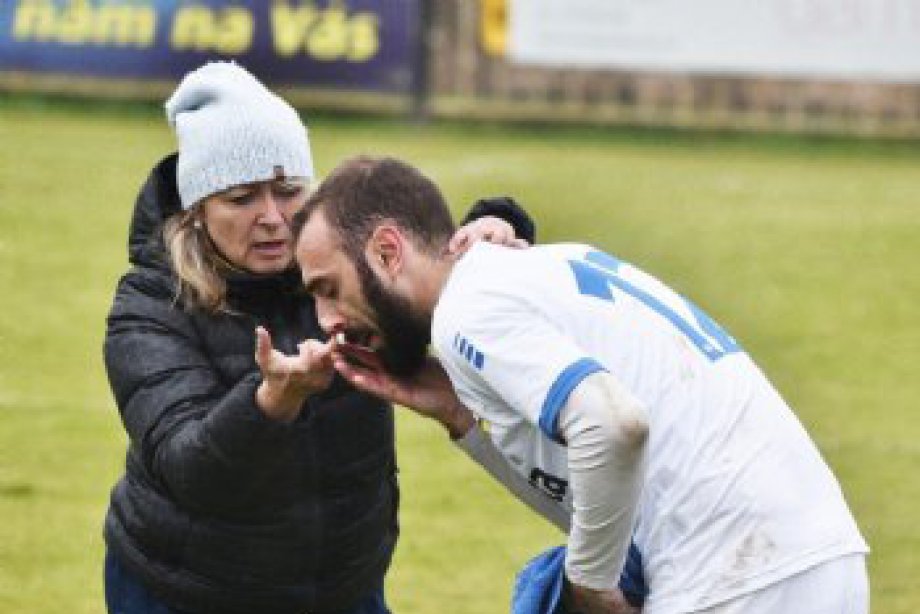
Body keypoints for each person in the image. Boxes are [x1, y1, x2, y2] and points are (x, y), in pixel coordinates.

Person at [290, 155, 870, 614]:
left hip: (735, 579)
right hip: (816, 560)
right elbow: (603, 484)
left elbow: (614, 425)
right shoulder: (542, 268)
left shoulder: (468, 309)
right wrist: (460, 419)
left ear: (387, 251)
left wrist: (589, 583)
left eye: (328, 288)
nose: (326, 320)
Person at [102, 63, 535, 614]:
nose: (272, 218)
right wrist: (269, 404)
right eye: (241, 198)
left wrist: (493, 230)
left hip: (344, 586)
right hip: (186, 589)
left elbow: (429, 268)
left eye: (288, 191)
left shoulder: (350, 260)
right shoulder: (148, 306)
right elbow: (190, 472)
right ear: (196, 212)